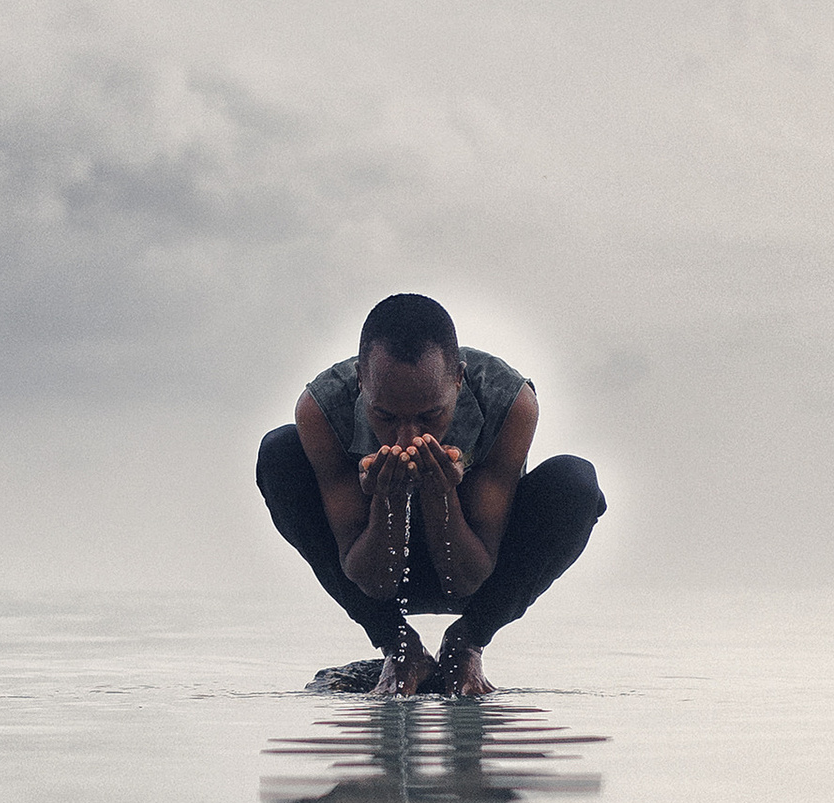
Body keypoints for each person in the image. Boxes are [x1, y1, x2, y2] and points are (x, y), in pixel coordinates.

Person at [255, 293, 606, 697]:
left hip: (474, 564)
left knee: (575, 483)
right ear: (360, 383)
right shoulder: (321, 409)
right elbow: (372, 581)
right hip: (374, 568)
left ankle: (468, 643)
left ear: (458, 379)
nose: (409, 436)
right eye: (385, 417)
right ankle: (399, 647)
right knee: (279, 452)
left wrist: (441, 496)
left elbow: (468, 580)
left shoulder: (509, 402)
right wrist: (387, 504)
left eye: (430, 415)